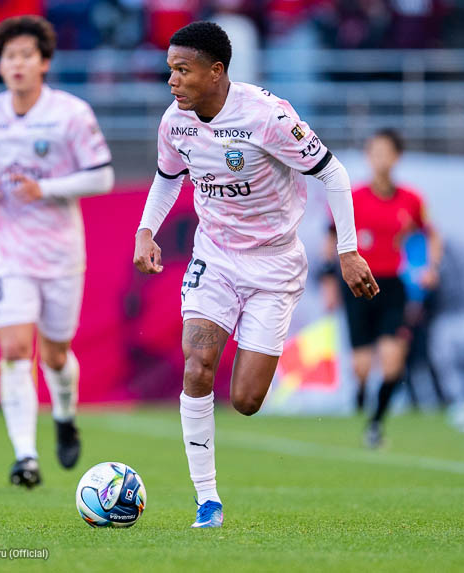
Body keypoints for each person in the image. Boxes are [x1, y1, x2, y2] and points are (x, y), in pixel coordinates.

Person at [133, 21, 377, 528]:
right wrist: (145, 230)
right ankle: (207, 500)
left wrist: (348, 251)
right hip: (216, 256)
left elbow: (333, 173)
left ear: (216, 71)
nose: (172, 80)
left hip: (275, 264)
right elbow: (167, 178)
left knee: (245, 400)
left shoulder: (268, 117)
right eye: (170, 69)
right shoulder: (175, 123)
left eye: (183, 70)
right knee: (197, 365)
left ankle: (215, 481)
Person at [0, 15, 114, 488]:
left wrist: (44, 189)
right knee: (14, 350)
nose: (18, 64)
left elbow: (102, 176)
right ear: (0, 65)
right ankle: (25, 456)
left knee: (56, 355)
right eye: (10, 56)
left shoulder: (71, 113)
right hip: (7, 249)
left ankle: (64, 415)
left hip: (60, 251)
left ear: (44, 62)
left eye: (27, 55)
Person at [341, 128, 443, 448]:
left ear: (397, 157)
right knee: (361, 366)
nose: (379, 158)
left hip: (392, 286)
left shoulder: (411, 200)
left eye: (386, 152)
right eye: (374, 152)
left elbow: (432, 235)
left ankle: (375, 424)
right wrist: (330, 276)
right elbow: (333, 237)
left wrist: (430, 267)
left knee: (392, 361)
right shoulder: (353, 197)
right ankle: (360, 391)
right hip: (359, 285)